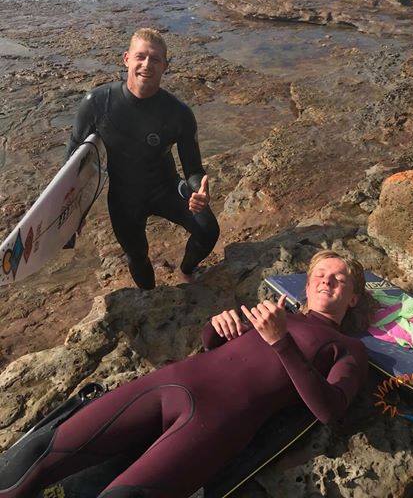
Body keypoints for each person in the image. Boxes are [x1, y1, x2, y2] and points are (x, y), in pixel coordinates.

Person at [0, 250, 369, 498]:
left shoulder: (348, 348)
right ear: (306, 286)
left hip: (214, 424)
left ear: (352, 298)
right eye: (320, 274)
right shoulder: (276, 312)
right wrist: (217, 328)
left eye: (339, 278)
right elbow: (219, 348)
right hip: (169, 384)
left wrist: (280, 342)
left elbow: (330, 409)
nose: (327, 281)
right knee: (38, 452)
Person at [66, 27, 219, 289]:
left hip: (166, 187)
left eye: (155, 59)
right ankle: (149, 296)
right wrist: (73, 214)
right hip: (125, 198)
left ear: (165, 65)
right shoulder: (97, 103)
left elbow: (193, 168)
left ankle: (186, 271)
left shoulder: (178, 113)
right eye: (141, 56)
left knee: (208, 230)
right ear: (127, 59)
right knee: (137, 255)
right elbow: (73, 166)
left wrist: (198, 190)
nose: (147, 64)